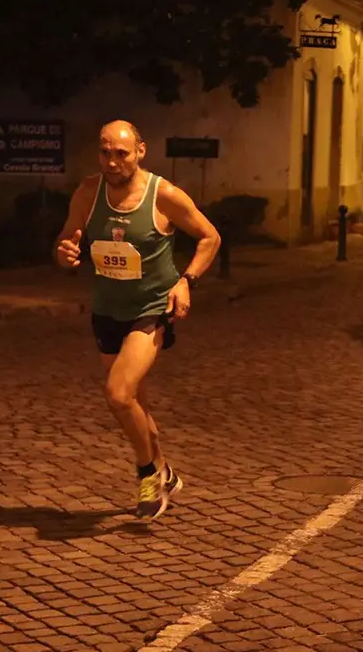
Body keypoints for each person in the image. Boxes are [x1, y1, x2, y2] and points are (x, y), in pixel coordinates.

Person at [54, 120, 222, 520]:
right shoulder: (87, 193)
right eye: (105, 152)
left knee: (118, 392)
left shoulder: (162, 194)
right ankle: (165, 469)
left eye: (121, 153)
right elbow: (66, 241)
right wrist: (65, 254)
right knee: (135, 405)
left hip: (152, 308)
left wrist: (186, 281)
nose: (112, 162)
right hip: (107, 309)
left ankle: (148, 473)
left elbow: (210, 237)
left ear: (140, 151)